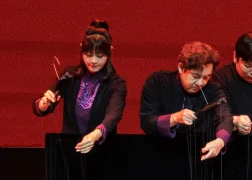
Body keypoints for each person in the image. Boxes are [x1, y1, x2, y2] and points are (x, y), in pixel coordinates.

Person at [33, 20, 126, 153]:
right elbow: (41, 106)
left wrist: (94, 136)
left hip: (102, 150)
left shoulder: (117, 83)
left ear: (109, 52)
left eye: (100, 56)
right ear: (81, 49)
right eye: (88, 55)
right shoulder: (69, 75)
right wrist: (44, 104)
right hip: (70, 149)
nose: (93, 61)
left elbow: (113, 115)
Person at [139, 42, 232, 160]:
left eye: (206, 77)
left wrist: (220, 141)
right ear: (181, 67)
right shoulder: (158, 82)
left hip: (199, 156)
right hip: (159, 154)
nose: (200, 83)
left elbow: (225, 117)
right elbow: (147, 122)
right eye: (195, 76)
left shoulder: (213, 90)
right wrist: (174, 118)